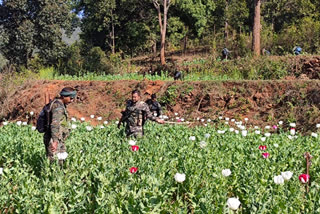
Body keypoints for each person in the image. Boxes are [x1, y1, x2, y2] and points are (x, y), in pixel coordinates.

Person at [44, 87, 76, 164]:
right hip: (54, 139)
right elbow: (55, 124)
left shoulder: (58, 103)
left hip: (58, 138)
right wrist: (55, 141)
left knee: (61, 161)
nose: (72, 101)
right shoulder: (58, 107)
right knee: (55, 162)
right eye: (70, 98)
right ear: (64, 96)